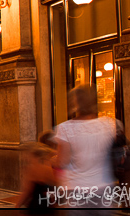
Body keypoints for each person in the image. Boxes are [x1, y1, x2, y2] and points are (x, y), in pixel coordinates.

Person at [53, 85, 120, 214]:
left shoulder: (66, 128)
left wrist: (53, 159)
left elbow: (63, 161)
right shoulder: (109, 124)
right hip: (104, 187)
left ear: (75, 102)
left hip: (77, 189)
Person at [16, 142, 58, 214]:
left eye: (29, 155)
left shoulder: (31, 170)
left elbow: (27, 191)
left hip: (35, 206)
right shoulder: (48, 169)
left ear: (35, 156)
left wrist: (17, 205)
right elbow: (54, 187)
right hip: (47, 206)